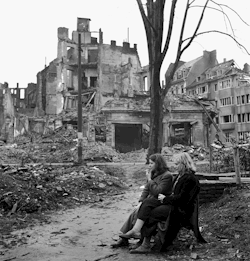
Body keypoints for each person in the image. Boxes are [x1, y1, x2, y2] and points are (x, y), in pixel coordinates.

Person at [126, 152, 201, 254]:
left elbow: (183, 199)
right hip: (173, 204)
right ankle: (138, 234)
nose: (175, 167)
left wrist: (166, 199)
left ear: (183, 164)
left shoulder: (190, 179)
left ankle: (145, 244)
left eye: (176, 164)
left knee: (151, 213)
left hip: (180, 209)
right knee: (147, 203)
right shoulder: (180, 176)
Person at [111, 153, 173, 248]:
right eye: (149, 163)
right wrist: (141, 201)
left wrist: (149, 180)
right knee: (135, 211)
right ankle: (123, 238)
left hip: (160, 202)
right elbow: (146, 189)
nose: (149, 165)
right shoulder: (153, 173)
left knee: (139, 212)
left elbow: (158, 191)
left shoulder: (167, 176)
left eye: (152, 163)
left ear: (158, 164)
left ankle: (133, 237)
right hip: (150, 201)